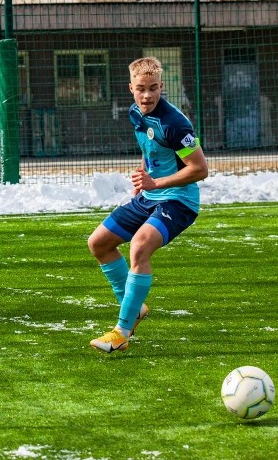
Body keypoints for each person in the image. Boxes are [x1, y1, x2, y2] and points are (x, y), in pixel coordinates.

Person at [87, 57, 208, 353]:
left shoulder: (176, 123)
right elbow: (148, 150)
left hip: (180, 201)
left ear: (162, 87)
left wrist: (157, 184)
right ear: (131, 88)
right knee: (98, 243)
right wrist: (143, 178)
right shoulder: (135, 113)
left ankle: (122, 332)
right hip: (148, 197)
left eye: (154, 88)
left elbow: (200, 169)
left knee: (139, 246)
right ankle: (136, 307)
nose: (147, 95)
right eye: (141, 89)